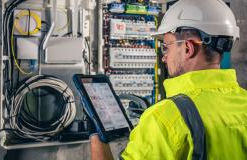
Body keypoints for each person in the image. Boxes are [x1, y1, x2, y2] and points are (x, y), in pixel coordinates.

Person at [90, 0, 247, 159]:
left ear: (188, 48)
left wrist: (95, 132)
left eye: (167, 47)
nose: (164, 58)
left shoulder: (165, 118)